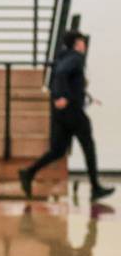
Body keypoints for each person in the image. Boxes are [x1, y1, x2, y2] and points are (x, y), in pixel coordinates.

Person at [19, 30, 114, 202]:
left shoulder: (63, 56)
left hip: (60, 113)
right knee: (88, 146)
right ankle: (96, 187)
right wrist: (64, 97)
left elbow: (59, 77)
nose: (84, 44)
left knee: (57, 150)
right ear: (77, 44)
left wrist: (66, 96)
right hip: (73, 112)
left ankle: (28, 172)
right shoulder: (76, 58)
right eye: (82, 41)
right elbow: (62, 73)